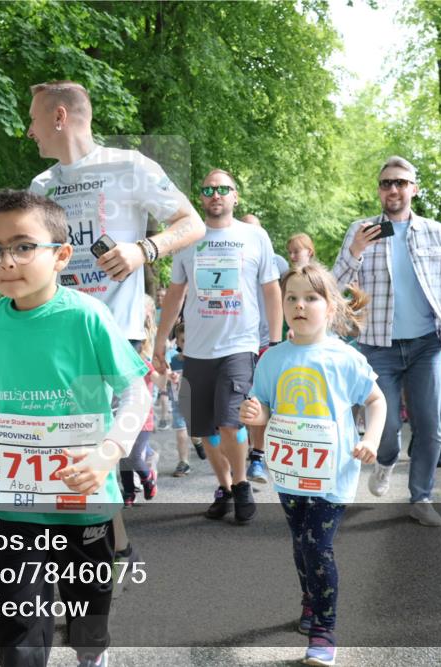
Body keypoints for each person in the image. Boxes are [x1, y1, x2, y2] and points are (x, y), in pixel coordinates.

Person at [27, 79, 204, 572]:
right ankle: (115, 549)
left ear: (59, 117)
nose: (29, 131)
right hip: (59, 329)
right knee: (76, 446)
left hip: (115, 328)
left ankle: (98, 560)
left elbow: (192, 223)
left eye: (34, 119)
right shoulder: (41, 188)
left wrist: (142, 250)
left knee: (89, 448)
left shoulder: (130, 166)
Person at [0, 190, 151, 667]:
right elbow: (13, 397)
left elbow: (137, 393)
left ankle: (92, 655)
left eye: (24, 246)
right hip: (21, 496)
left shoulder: (86, 316)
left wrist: (109, 452)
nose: (7, 260)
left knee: (86, 610)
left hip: (83, 496)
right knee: (17, 619)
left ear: (61, 256)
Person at [239, 263, 387, 667]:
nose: (299, 305)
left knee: (317, 547)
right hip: (289, 473)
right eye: (291, 298)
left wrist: (370, 439)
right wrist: (255, 416)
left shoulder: (345, 357)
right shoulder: (272, 358)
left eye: (311, 298)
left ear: (331, 306)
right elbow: (265, 409)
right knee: (301, 544)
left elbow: (376, 400)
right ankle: (310, 598)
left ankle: (325, 628)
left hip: (333, 473)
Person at [333, 156, 441, 527]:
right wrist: (354, 253)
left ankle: (421, 496)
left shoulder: (436, 232)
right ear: (379, 191)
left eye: (400, 182)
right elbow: (333, 289)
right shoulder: (360, 231)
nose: (393, 189)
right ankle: (385, 462)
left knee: (430, 425)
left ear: (413, 188)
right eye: (386, 184)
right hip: (377, 347)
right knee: (384, 431)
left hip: (426, 345)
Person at [154, 168, 283, 525]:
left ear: (235, 196)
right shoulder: (187, 239)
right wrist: (160, 343)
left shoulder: (254, 236)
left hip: (239, 346)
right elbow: (176, 294)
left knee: (230, 421)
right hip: (195, 349)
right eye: (209, 189)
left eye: (223, 188)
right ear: (201, 197)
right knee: (204, 428)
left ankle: (241, 485)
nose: (216, 194)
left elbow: (271, 289)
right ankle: (224, 488)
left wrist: (273, 341)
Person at [242, 213, 289, 483]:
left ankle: (262, 455)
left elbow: (287, 296)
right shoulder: (230, 257)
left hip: (268, 341)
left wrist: (282, 334)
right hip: (239, 341)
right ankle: (254, 455)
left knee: (266, 400)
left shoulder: (277, 262)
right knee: (249, 402)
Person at [119, 297, 160, 507]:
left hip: (143, 418)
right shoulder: (117, 365)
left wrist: (168, 378)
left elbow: (157, 379)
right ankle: (128, 493)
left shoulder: (142, 363)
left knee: (134, 456)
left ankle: (147, 477)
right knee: (122, 456)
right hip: (121, 414)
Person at [166, 322, 202, 476]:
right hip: (178, 402)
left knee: (194, 430)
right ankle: (184, 462)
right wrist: (170, 376)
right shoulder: (172, 359)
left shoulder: (200, 360)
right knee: (181, 431)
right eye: (183, 340)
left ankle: (198, 442)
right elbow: (164, 374)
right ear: (178, 342)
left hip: (196, 403)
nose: (187, 344)